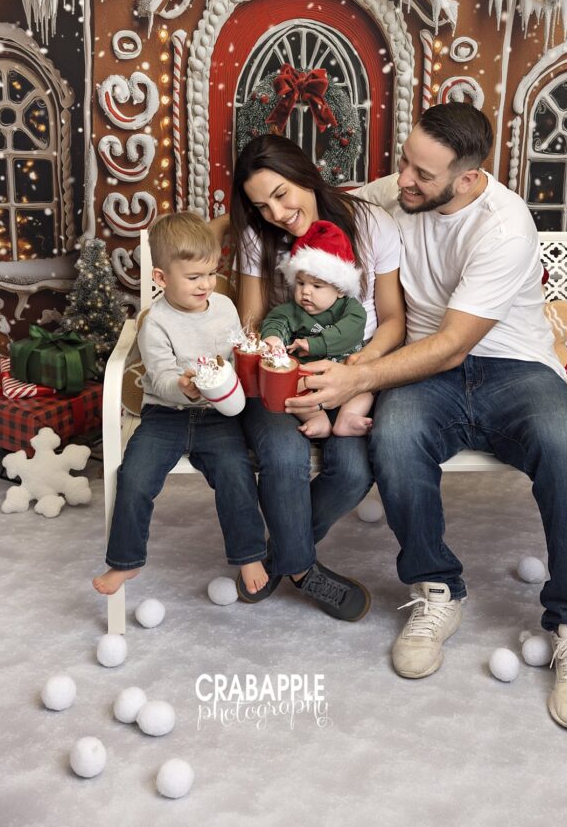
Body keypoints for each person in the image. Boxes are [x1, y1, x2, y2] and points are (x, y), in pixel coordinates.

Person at [286, 102, 567, 732]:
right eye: (405, 161)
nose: (403, 178)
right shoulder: (396, 192)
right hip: (423, 369)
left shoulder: (505, 224)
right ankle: (437, 589)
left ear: (466, 178)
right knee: (398, 438)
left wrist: (356, 376)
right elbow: (305, 202)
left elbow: (457, 344)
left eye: (421, 174)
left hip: (512, 366)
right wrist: (222, 226)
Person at [215, 133, 405, 619]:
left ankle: (279, 554)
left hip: (353, 370)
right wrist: (278, 358)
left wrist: (355, 373)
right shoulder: (261, 234)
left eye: (281, 194)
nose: (276, 213)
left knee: (354, 471)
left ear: (305, 175)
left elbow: (392, 320)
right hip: (283, 373)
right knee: (282, 454)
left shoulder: (372, 225)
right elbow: (253, 316)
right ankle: (302, 568)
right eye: (261, 206)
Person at [93, 212, 269, 597]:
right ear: (161, 278)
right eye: (193, 278)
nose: (205, 284)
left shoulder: (223, 307)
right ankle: (125, 561)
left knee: (236, 474)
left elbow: (238, 351)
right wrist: (184, 388)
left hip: (216, 416)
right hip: (166, 415)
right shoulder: (155, 321)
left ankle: (249, 553)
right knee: (135, 477)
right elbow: (159, 378)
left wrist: (250, 357)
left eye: (210, 273)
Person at [261, 219, 373, 439]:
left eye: (317, 286)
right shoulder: (292, 310)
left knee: (365, 392)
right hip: (309, 377)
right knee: (294, 391)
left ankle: (348, 417)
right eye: (301, 283)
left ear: (340, 290)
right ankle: (316, 419)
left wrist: (314, 344)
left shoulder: (351, 309)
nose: (306, 292)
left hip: (345, 374)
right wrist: (273, 338)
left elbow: (351, 331)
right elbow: (276, 321)